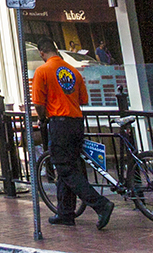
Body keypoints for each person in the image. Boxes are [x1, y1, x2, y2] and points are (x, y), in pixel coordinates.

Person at [31, 45, 112, 230]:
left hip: (59, 124)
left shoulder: (43, 71)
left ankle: (100, 204)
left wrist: (43, 118)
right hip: (76, 122)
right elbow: (83, 99)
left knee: (65, 168)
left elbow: (38, 103)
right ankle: (65, 213)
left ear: (42, 53)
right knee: (68, 167)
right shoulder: (73, 71)